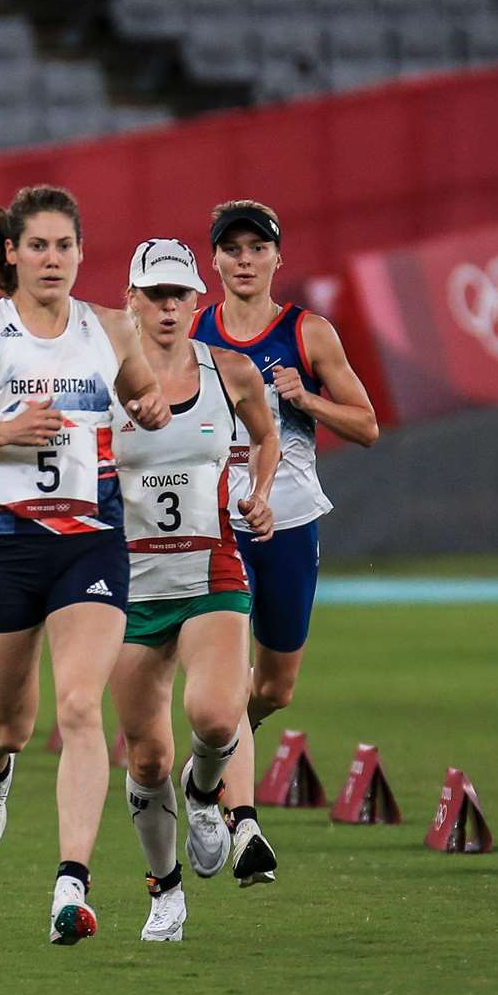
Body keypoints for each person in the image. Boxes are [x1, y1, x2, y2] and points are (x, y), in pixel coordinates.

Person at [0, 185, 171, 945]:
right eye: (38, 246)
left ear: (82, 253)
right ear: (12, 255)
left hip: (89, 544)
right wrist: (2, 433)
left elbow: (145, 397)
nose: (52, 259)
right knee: (11, 723)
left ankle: (70, 887)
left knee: (82, 707)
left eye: (65, 246)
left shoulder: (112, 330)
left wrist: (149, 406)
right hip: (7, 549)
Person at [189, 201, 380, 884]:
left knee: (272, 689)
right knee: (224, 665)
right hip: (215, 527)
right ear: (212, 260)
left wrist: (307, 401)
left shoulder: (308, 334)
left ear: (276, 256)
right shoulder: (190, 334)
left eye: (255, 248)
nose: (243, 260)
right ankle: (243, 828)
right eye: (230, 249)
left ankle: (209, 760)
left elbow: (366, 427)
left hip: (291, 523)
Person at [109, 238, 278, 941]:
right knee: (145, 755)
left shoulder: (231, 371)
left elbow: (265, 437)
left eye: (179, 294)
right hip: (128, 585)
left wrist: (259, 495)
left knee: (214, 717)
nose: (168, 307)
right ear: (132, 301)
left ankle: (205, 792)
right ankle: (164, 891)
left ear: (196, 301)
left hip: (212, 571)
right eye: (154, 294)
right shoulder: (100, 379)